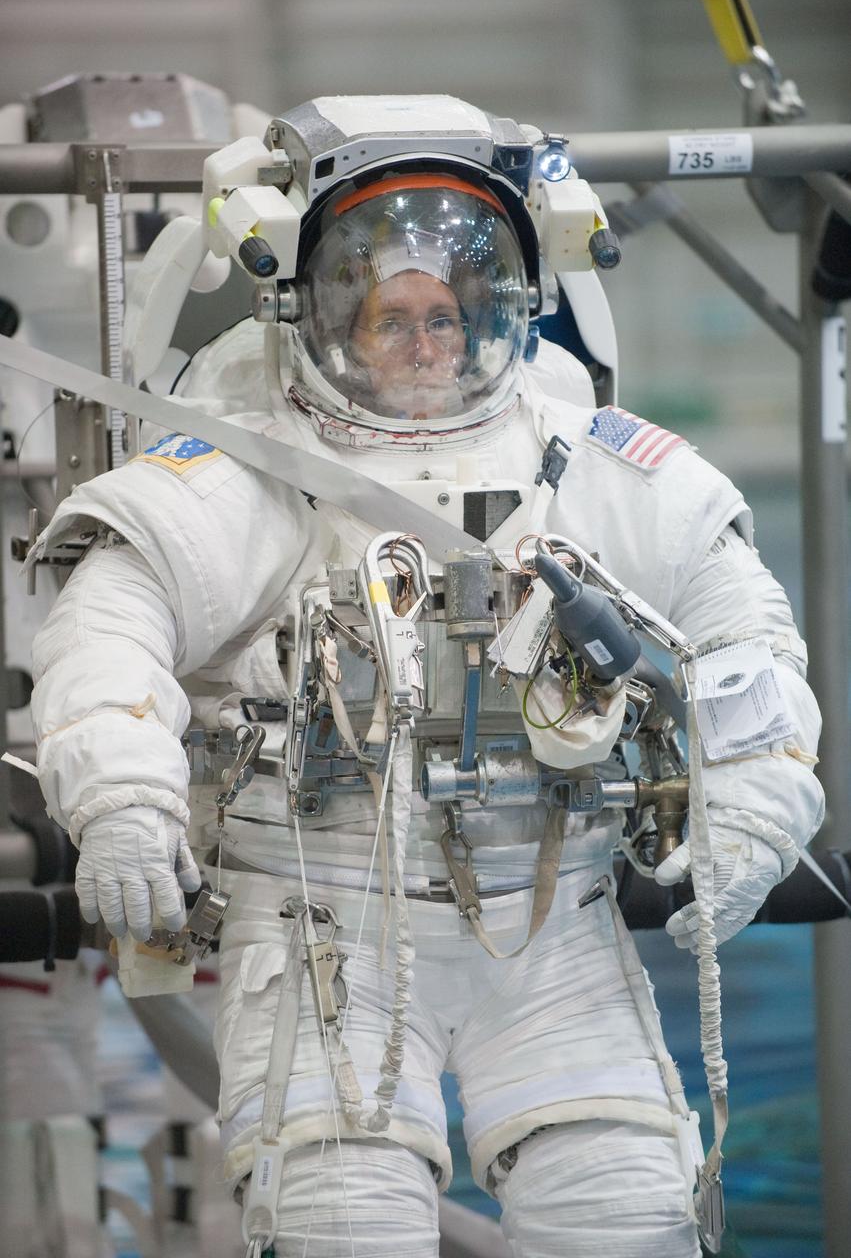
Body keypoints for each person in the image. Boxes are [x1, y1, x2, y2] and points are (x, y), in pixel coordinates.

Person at [29, 95, 824, 1258]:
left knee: (625, 1211)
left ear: (496, 308)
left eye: (445, 312)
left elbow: (738, 618)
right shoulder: (251, 465)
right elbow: (108, 628)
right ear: (318, 315)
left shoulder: (577, 456)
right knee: (343, 1226)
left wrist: (755, 787)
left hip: (552, 917)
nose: (424, 339)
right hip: (322, 925)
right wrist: (123, 799)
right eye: (388, 314)